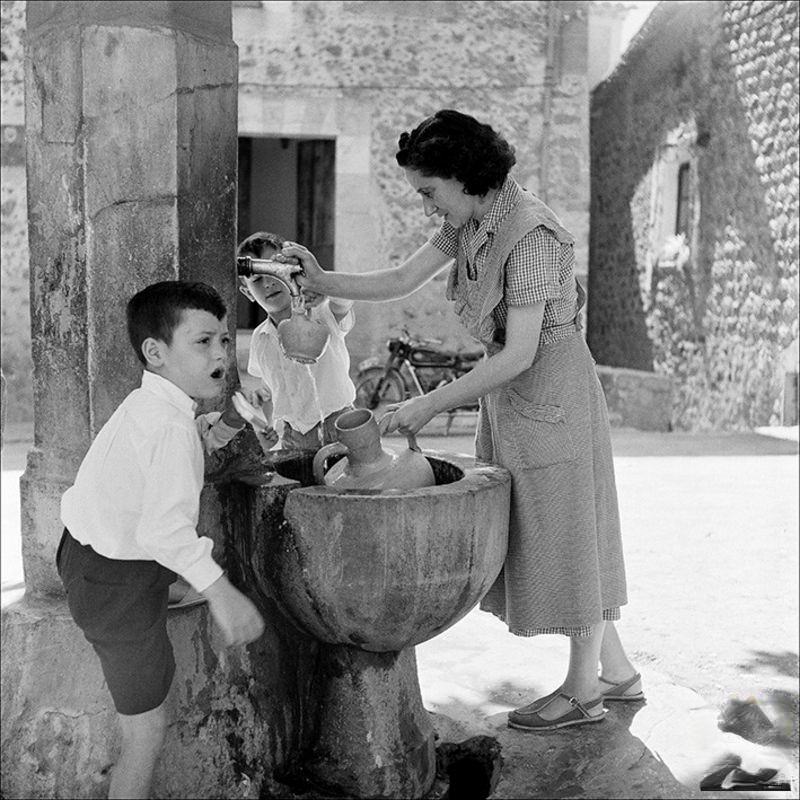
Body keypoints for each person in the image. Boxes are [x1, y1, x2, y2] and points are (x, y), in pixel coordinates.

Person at [281, 109, 643, 732]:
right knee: (553, 528)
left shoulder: (529, 234)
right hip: (513, 394)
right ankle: (618, 672)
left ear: (463, 176)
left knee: (568, 532)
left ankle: (584, 691)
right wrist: (322, 279)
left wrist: (431, 402)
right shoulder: (472, 220)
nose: (426, 207)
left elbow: (524, 352)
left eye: (429, 192)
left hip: (551, 391)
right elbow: (401, 278)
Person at [58, 281, 265, 798]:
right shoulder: (170, 428)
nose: (220, 353)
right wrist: (224, 595)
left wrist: (206, 434)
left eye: (223, 339)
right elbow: (163, 530)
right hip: (113, 584)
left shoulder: (155, 407)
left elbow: (155, 472)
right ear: (156, 352)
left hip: (86, 553)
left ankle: (161, 585)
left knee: (168, 563)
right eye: (203, 342)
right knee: (145, 732)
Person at [237, 230, 356, 451]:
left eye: (276, 273)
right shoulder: (260, 339)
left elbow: (346, 299)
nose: (269, 284)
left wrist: (323, 286)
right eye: (258, 279)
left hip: (341, 426)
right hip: (293, 435)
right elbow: (269, 388)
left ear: (294, 273)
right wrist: (265, 424)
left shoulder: (322, 313)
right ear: (247, 292)